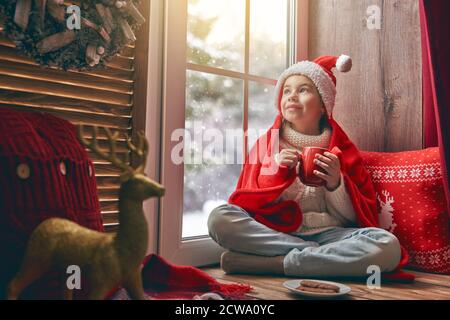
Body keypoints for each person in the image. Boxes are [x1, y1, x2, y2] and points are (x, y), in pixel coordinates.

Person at [208, 55, 413, 280]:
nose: (292, 96)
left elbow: (355, 217)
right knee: (219, 218)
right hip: (276, 233)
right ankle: (318, 257)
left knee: (387, 245)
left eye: (303, 90)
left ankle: (277, 264)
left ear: (323, 106)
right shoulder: (268, 145)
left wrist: (336, 184)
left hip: (331, 235)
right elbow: (254, 205)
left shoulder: (343, 152)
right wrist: (277, 171)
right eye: (286, 91)